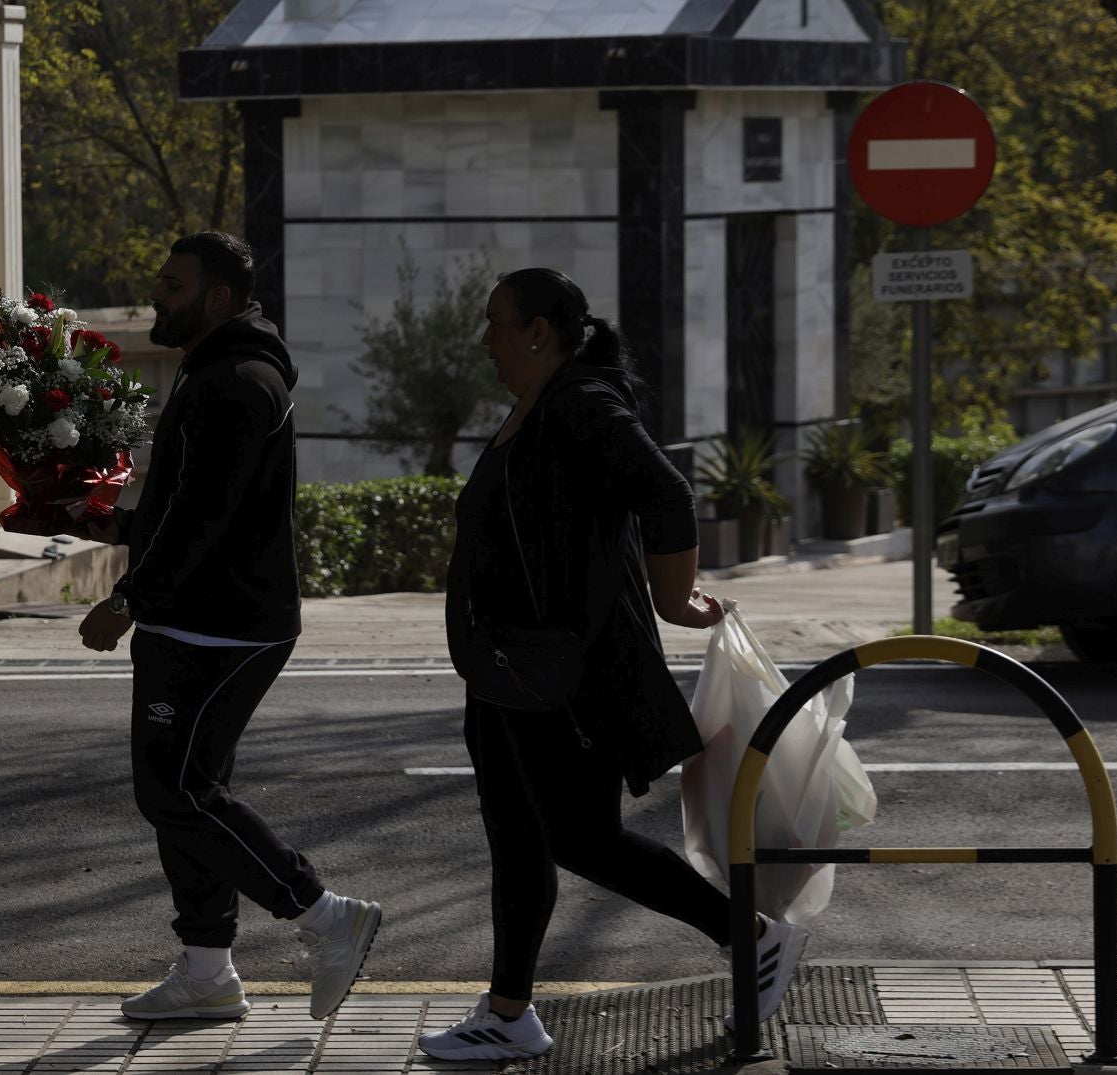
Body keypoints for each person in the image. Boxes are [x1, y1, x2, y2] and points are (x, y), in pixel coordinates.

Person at [418, 267, 807, 1063]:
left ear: (539, 330)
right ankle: (509, 1011)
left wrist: (671, 598)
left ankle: (754, 937)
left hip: (567, 671)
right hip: (505, 670)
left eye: (496, 321)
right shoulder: (533, 405)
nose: (484, 336)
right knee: (518, 840)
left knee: (581, 837)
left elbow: (664, 491)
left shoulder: (580, 403)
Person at [74, 232, 380, 1024]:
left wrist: (128, 597)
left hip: (224, 628)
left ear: (216, 296)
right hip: (196, 621)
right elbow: (182, 508)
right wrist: (103, 524)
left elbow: (203, 519)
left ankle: (324, 914)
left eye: (171, 285)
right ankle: (207, 968)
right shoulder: (214, 371)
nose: (156, 298)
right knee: (188, 792)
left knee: (174, 788)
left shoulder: (241, 381)